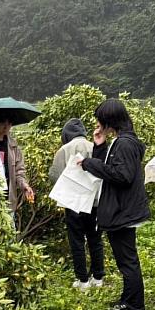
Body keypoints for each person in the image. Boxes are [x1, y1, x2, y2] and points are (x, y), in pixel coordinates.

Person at [79, 99, 150, 310]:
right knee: (125, 262)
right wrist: (99, 146)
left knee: (128, 263)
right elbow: (112, 170)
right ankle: (128, 303)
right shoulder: (121, 142)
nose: (99, 125)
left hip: (123, 212)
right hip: (122, 211)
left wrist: (89, 163)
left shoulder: (125, 144)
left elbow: (122, 176)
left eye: (101, 120)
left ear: (110, 120)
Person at [48, 118, 104, 290]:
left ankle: (82, 280)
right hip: (94, 203)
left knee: (77, 240)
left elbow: (54, 175)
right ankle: (98, 277)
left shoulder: (64, 150)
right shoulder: (94, 146)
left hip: (73, 203)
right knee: (95, 239)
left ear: (66, 135)